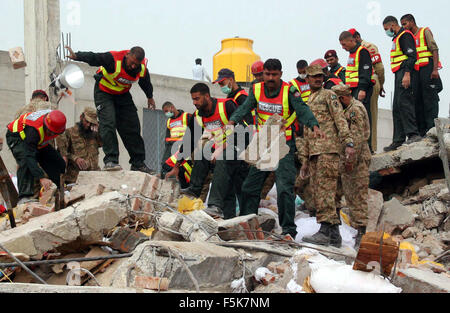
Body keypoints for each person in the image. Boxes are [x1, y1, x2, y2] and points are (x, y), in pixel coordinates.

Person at [227, 59, 324, 240]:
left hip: (283, 145)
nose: (270, 78)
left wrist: (314, 125)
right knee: (249, 187)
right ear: (263, 74)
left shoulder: (289, 91)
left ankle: (288, 230)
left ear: (280, 74)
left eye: (274, 74)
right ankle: (250, 224)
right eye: (267, 74)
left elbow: (302, 110)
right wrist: (233, 120)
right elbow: (245, 107)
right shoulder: (256, 90)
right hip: (263, 144)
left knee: (284, 188)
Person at [65, 46, 155, 174]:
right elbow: (95, 57)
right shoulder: (113, 59)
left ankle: (138, 163)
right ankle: (111, 160)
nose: (133, 66)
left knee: (132, 126)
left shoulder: (141, 68)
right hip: (104, 91)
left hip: (122, 94)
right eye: (132, 63)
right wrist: (78, 56)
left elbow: (145, 82)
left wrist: (150, 97)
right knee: (108, 123)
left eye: (137, 64)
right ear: (127, 55)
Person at [167, 83, 247, 220]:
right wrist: (177, 165)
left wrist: (222, 149)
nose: (194, 103)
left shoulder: (226, 105)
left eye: (197, 99)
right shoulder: (198, 115)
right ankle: (194, 189)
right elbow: (189, 141)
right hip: (220, 146)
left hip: (239, 143)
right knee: (203, 152)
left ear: (207, 96)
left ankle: (215, 205)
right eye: (193, 99)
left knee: (223, 159)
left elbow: (241, 131)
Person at [298, 65, 355, 248]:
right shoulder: (309, 100)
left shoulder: (328, 95)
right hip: (315, 152)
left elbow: (340, 119)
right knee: (321, 191)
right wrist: (305, 160)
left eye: (320, 76)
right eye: (314, 77)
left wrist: (348, 142)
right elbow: (307, 132)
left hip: (328, 151)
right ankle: (333, 234)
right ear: (307, 79)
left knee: (325, 193)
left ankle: (325, 231)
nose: (317, 79)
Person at [332, 84, 371, 248]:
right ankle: (336, 230)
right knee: (337, 193)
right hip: (344, 158)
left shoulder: (355, 110)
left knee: (357, 196)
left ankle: (361, 233)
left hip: (357, 160)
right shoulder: (345, 110)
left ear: (342, 98)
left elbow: (356, 140)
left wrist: (350, 162)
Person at [6, 110, 67, 205]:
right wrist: (41, 177)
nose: (51, 135)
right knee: (25, 161)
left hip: (38, 141)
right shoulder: (33, 130)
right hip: (17, 136)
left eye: (54, 133)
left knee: (58, 162)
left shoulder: (55, 123)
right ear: (46, 125)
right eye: (50, 132)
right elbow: (29, 155)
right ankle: (24, 197)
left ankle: (58, 189)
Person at [382, 16, 422, 152]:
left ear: (393, 25)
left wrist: (406, 74)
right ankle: (398, 140)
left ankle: (413, 134)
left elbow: (412, 56)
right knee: (397, 106)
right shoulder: (396, 38)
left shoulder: (405, 36)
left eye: (387, 29)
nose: (386, 32)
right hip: (398, 73)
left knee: (405, 103)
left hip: (405, 73)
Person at [401, 14, 443, 136]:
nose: (404, 27)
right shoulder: (408, 37)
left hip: (427, 68)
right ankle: (422, 130)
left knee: (429, 99)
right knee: (417, 100)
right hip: (416, 71)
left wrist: (435, 69)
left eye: (405, 24)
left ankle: (431, 128)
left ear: (412, 22)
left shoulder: (424, 32)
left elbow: (434, 49)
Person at [349, 28, 386, 153]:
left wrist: (381, 84)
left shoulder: (368, 47)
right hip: (358, 85)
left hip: (370, 81)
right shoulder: (353, 51)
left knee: (370, 115)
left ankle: (372, 147)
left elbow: (379, 67)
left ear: (357, 37)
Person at [339, 31, 376, 152]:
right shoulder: (352, 54)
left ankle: (367, 146)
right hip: (353, 89)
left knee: (363, 117)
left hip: (361, 89)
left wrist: (363, 89)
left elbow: (366, 71)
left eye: (344, 44)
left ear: (351, 40)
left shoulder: (362, 51)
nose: (343, 48)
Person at [56, 107, 102, 184]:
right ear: (81, 117)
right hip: (75, 178)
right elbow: (62, 153)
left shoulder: (94, 133)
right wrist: (75, 158)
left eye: (91, 123)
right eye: (86, 121)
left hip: (93, 177)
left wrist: (99, 131)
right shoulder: (69, 133)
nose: (88, 125)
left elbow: (102, 144)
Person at [160, 102, 193, 189]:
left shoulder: (187, 116)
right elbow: (167, 138)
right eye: (165, 112)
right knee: (166, 164)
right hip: (172, 147)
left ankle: (185, 184)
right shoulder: (169, 121)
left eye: (167, 111)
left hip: (184, 146)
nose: (166, 113)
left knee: (183, 166)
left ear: (172, 107)